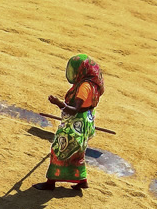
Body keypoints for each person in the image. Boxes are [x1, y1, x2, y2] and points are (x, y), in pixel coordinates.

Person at [34, 54, 105, 190]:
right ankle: (82, 181)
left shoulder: (85, 86)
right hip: (85, 121)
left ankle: (50, 183)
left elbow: (74, 110)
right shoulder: (93, 84)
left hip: (75, 124)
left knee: (58, 149)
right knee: (78, 153)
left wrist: (59, 103)